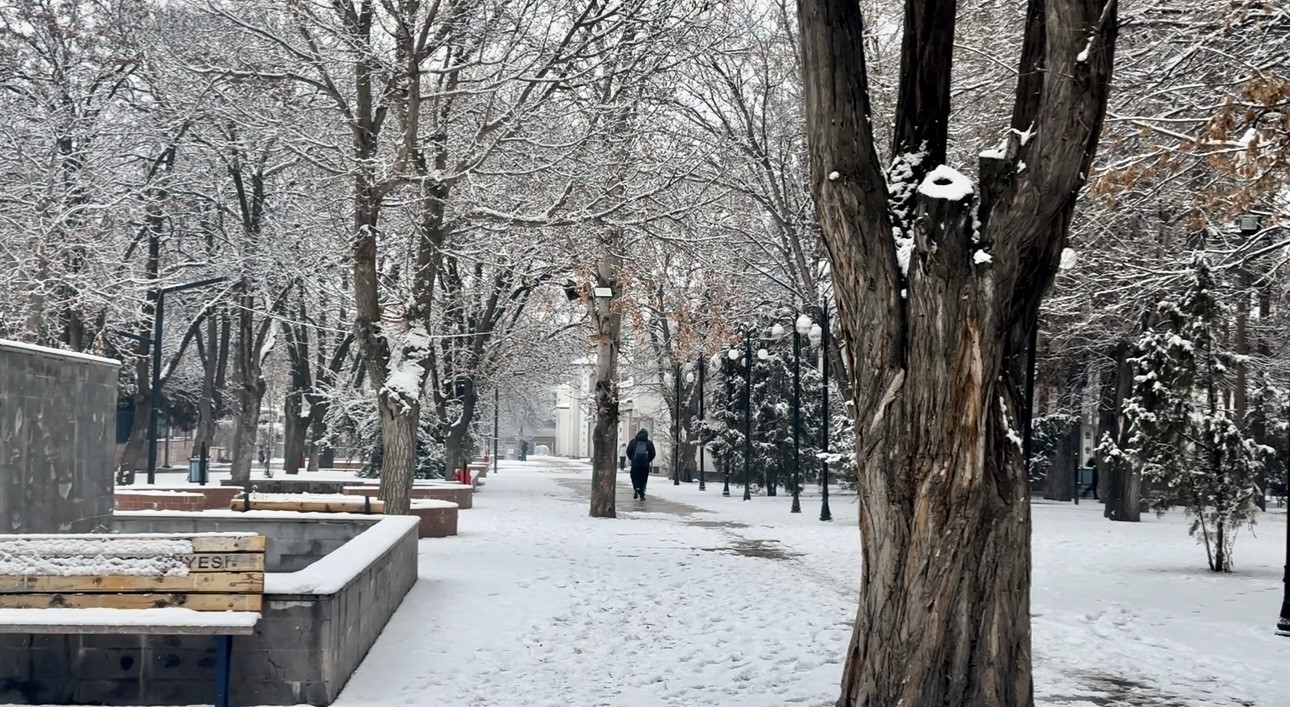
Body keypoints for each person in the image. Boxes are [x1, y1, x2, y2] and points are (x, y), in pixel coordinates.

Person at [625, 429, 656, 501]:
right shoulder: (649, 443)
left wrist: (632, 459)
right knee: (643, 479)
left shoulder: (633, 442)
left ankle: (636, 487)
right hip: (645, 465)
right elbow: (653, 453)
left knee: (634, 477)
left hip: (635, 464)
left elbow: (628, 451)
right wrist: (648, 460)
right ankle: (642, 494)